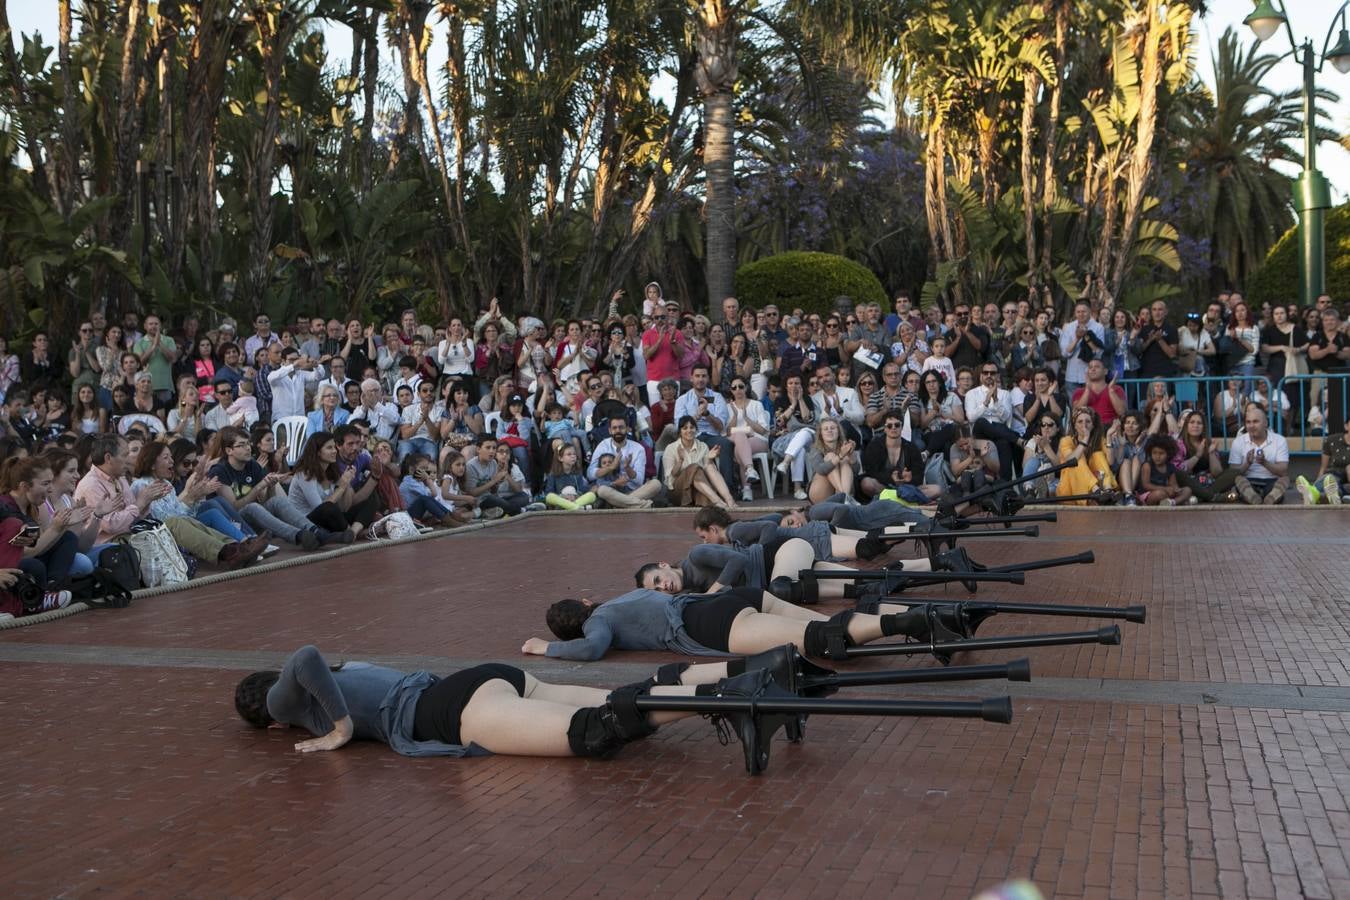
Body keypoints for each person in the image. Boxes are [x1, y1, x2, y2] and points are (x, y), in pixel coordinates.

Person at [527, 582, 956, 662]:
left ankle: (915, 623)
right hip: (733, 600)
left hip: (713, 623)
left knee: (821, 638)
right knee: (829, 622)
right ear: (584, 600)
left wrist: (544, 648)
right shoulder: (620, 599)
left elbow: (592, 648)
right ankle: (932, 617)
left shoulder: (598, 623)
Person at [127, 441, 268, 567]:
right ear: (152, 464)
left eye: (171, 456)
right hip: (159, 535)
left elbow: (186, 515)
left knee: (209, 513)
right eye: (166, 458)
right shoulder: (141, 485)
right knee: (179, 521)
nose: (171, 461)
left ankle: (241, 546)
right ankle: (231, 553)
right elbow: (164, 522)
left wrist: (197, 497)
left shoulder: (166, 484)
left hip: (178, 525)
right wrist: (191, 497)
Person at [206, 426, 334, 549]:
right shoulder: (219, 471)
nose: (248, 448)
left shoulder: (252, 465)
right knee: (252, 507)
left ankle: (315, 531)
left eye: (248, 444)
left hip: (256, 519)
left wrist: (270, 486)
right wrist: (258, 487)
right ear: (229, 451)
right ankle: (299, 536)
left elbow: (268, 502)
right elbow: (233, 508)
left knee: (277, 501)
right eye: (241, 445)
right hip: (234, 524)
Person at [288, 431, 373, 540]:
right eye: (329, 448)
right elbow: (320, 508)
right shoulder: (304, 473)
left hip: (328, 519)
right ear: (317, 452)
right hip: (307, 522)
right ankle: (349, 532)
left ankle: (353, 532)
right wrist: (341, 486)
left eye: (334, 447)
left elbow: (344, 507)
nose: (334, 451)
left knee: (370, 498)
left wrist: (346, 485)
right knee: (329, 508)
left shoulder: (332, 470)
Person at [673, 364, 737, 493]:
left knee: (726, 444)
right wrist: (697, 415)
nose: (700, 379)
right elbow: (679, 427)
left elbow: (720, 427)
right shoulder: (682, 400)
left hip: (712, 436)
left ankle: (727, 489)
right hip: (691, 438)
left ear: (708, 379)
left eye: (703, 376)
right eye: (697, 376)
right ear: (691, 378)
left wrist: (707, 414)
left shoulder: (717, 397)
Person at [588, 415, 664, 509]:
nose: (618, 430)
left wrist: (628, 469)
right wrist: (611, 468)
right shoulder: (603, 446)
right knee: (602, 490)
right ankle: (644, 505)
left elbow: (639, 481)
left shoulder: (638, 448)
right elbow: (590, 474)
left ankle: (619, 504)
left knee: (656, 484)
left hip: (632, 491)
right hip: (611, 490)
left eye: (621, 427)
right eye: (614, 428)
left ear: (628, 429)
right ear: (610, 430)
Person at [663, 416, 737, 509]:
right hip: (678, 492)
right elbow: (672, 475)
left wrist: (709, 459)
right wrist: (680, 461)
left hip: (699, 490)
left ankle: (729, 499)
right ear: (680, 432)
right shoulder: (671, 448)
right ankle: (717, 500)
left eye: (692, 427)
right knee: (694, 467)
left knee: (708, 467)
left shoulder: (703, 446)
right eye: (685, 428)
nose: (689, 430)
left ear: (696, 429)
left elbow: (707, 472)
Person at [860, 411, 935, 503]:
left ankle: (895, 498)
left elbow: (919, 475)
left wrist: (909, 479)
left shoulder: (911, 447)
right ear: (884, 428)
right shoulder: (875, 446)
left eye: (897, 425)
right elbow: (871, 471)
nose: (893, 428)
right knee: (867, 483)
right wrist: (892, 478)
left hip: (906, 487)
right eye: (889, 426)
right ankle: (902, 498)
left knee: (936, 489)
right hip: (884, 486)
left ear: (902, 427)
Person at [964, 363, 1020, 480]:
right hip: (979, 433)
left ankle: (1006, 485)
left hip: (999, 433)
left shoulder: (1004, 394)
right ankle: (1017, 439)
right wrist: (986, 401)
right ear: (981, 376)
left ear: (997, 376)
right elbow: (971, 417)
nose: (989, 375)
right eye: (986, 373)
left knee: (1004, 443)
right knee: (981, 421)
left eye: (992, 373)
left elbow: (1005, 418)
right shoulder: (971, 393)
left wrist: (996, 400)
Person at [1227, 407, 1289, 505]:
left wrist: (1264, 463)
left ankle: (1271, 497)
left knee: (1284, 479)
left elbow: (1283, 470)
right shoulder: (1238, 442)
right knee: (1238, 479)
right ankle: (1253, 496)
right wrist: (1247, 464)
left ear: (1265, 423)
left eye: (1255, 422)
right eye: (1248, 422)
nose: (1251, 426)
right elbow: (1232, 473)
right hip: (1248, 481)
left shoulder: (1280, 440)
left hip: (1272, 481)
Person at [1056, 407, 1116, 503]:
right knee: (1077, 460)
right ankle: (1096, 491)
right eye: (1080, 422)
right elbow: (1070, 460)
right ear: (1075, 426)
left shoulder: (1099, 440)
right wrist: (1085, 439)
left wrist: (1108, 438)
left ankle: (1108, 490)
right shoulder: (1066, 440)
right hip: (1070, 490)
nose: (1084, 425)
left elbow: (1111, 461)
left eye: (1088, 421)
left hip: (1095, 490)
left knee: (1097, 455)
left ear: (1092, 425)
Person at [725, 377, 771, 501]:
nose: (738, 390)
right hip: (737, 441)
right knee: (741, 439)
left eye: (740, 386)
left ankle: (747, 489)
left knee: (741, 448)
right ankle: (750, 469)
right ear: (731, 390)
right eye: (734, 387)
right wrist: (735, 416)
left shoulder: (757, 404)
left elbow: (763, 430)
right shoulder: (728, 407)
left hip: (757, 439)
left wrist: (746, 418)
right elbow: (726, 432)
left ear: (746, 387)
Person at [463, 435, 532, 516]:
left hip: (493, 497)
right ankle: (522, 510)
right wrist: (494, 481)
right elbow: (472, 493)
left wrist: (499, 481)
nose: (492, 451)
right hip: (479, 500)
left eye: (494, 448)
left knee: (523, 496)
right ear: (478, 449)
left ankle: (496, 511)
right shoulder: (471, 466)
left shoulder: (493, 463)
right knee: (495, 500)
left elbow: (493, 491)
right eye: (488, 448)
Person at [1296, 415, 1350, 505]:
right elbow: (1323, 467)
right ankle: (1314, 491)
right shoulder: (1332, 440)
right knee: (1329, 480)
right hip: (1334, 475)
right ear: (1346, 426)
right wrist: (1318, 481)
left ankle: (1313, 495)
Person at [1058, 301, 1105, 395]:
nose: (1081, 314)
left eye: (1084, 311)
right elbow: (1064, 353)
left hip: (1091, 375)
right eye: (1078, 312)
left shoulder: (1098, 327)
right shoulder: (1069, 327)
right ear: (1075, 313)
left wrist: (1087, 339)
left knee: (1091, 408)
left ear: (1090, 312)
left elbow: (1099, 353)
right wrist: (1077, 338)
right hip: (1072, 376)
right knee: (1075, 408)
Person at [1137, 434, 1192, 506]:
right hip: (1149, 494)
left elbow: (1174, 484)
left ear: (1168, 454)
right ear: (1150, 453)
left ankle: (1172, 502)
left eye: (1161, 453)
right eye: (1154, 453)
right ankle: (1177, 501)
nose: (1157, 456)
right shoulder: (1147, 465)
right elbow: (1146, 485)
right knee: (1160, 494)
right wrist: (1165, 489)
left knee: (1187, 490)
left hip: (1165, 493)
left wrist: (1175, 490)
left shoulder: (1170, 466)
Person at [266, 347, 318, 423]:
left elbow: (317, 376)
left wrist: (316, 365)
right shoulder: (276, 375)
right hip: (281, 420)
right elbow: (270, 378)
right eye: (291, 360)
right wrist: (292, 366)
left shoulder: (301, 374)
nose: (295, 362)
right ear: (283, 361)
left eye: (296, 359)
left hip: (299, 420)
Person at [1071, 359, 1126, 427]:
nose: (1093, 369)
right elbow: (1076, 413)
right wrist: (1087, 390)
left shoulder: (1117, 389)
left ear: (1105, 371)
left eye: (1097, 367)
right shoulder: (1079, 391)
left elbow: (1122, 412)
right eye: (1090, 367)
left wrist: (1111, 390)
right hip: (1088, 429)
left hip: (1111, 429)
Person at [543, 443, 597, 511]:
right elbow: (549, 493)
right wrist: (563, 497)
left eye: (574, 454)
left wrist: (575, 496)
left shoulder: (577, 473)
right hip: (561, 501)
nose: (573, 456)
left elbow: (581, 490)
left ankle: (572, 507)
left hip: (575, 499)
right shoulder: (553, 474)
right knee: (549, 497)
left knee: (591, 495)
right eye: (569, 454)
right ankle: (576, 507)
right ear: (560, 458)